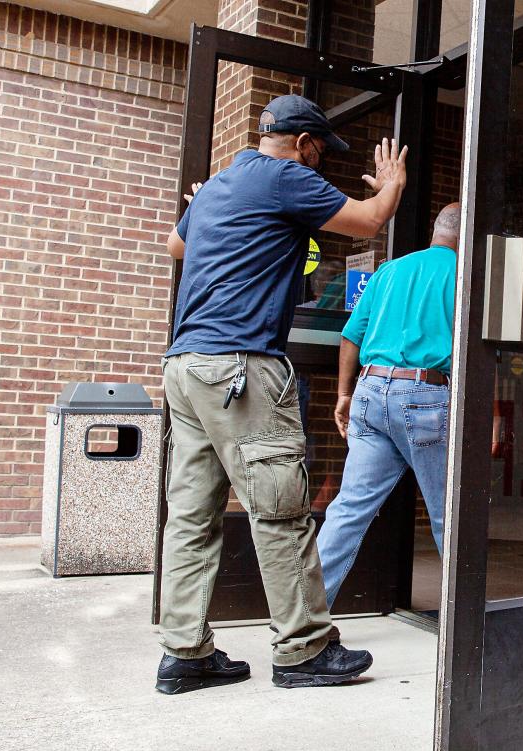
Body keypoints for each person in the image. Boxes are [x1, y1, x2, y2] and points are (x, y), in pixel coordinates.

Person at [157, 95, 408, 694]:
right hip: (240, 366)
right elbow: (370, 221)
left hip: (185, 366)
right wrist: (393, 184)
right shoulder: (285, 177)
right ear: (299, 143)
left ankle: (185, 652)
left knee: (192, 515)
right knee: (281, 510)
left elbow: (177, 247)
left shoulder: (220, 185)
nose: (319, 166)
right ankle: (303, 650)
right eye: (320, 152)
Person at [317, 203, 461, 609]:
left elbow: (351, 336)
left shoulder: (388, 270)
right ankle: (465, 626)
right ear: (464, 232)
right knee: (447, 515)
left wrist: (344, 395)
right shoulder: (464, 276)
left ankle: (303, 619)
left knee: (347, 511)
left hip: (369, 389)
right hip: (424, 396)